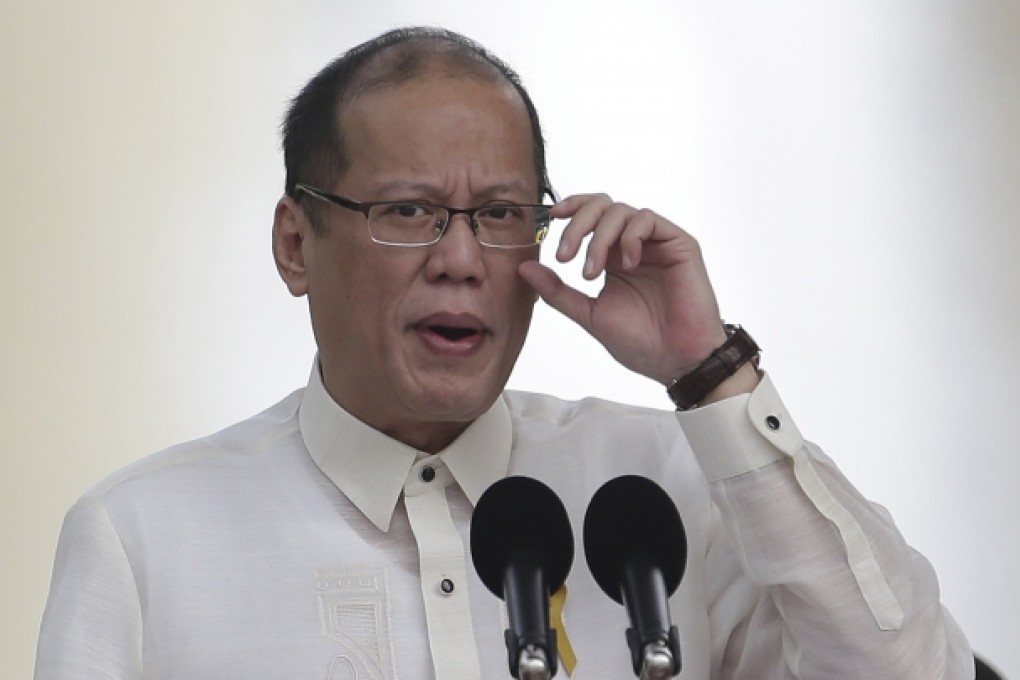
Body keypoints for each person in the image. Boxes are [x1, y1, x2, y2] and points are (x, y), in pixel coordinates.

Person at [35, 26, 973, 679]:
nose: (459, 260)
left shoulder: (662, 491)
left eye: (498, 216)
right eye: (408, 212)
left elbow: (910, 670)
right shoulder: (147, 539)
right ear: (294, 246)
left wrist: (712, 376)